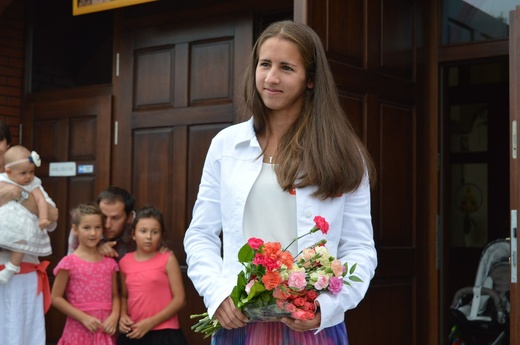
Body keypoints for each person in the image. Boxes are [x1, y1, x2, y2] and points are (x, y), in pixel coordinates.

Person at [183, 20, 377, 345]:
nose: (271, 78)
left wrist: (326, 306)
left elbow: (359, 247)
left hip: (312, 327)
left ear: (311, 79)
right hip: (239, 324)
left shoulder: (344, 153)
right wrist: (216, 294)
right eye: (265, 64)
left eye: (287, 68)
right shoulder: (226, 145)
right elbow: (200, 234)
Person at [0, 120, 59, 345]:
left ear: (7, 145)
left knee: (21, 335)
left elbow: (53, 215)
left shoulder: (29, 179)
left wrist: (20, 194)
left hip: (21, 274)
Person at [52, 202, 120, 344]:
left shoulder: (110, 263)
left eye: (97, 228)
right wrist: (83, 318)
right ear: (75, 229)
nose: (93, 233)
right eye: (87, 228)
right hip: (78, 329)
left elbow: (115, 295)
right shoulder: (69, 263)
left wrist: (114, 317)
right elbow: (56, 298)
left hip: (104, 330)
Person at [118, 206, 187, 345]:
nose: (148, 237)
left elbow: (180, 299)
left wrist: (150, 323)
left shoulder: (167, 259)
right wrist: (123, 315)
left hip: (165, 333)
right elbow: (125, 296)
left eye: (154, 232)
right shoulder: (125, 261)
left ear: (161, 235)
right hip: (133, 331)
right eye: (143, 231)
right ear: (133, 234)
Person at [0, 145, 52, 284]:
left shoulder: (33, 183)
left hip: (23, 223)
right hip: (4, 222)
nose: (28, 176)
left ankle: (12, 267)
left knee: (20, 241)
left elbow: (45, 204)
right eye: (23, 173)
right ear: (9, 172)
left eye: (31, 172)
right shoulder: (2, 179)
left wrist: (43, 218)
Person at [67, 186, 136, 260]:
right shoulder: (82, 228)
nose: (107, 225)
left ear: (129, 218)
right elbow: (72, 264)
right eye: (104, 217)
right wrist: (95, 253)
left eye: (115, 218)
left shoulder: (139, 228)